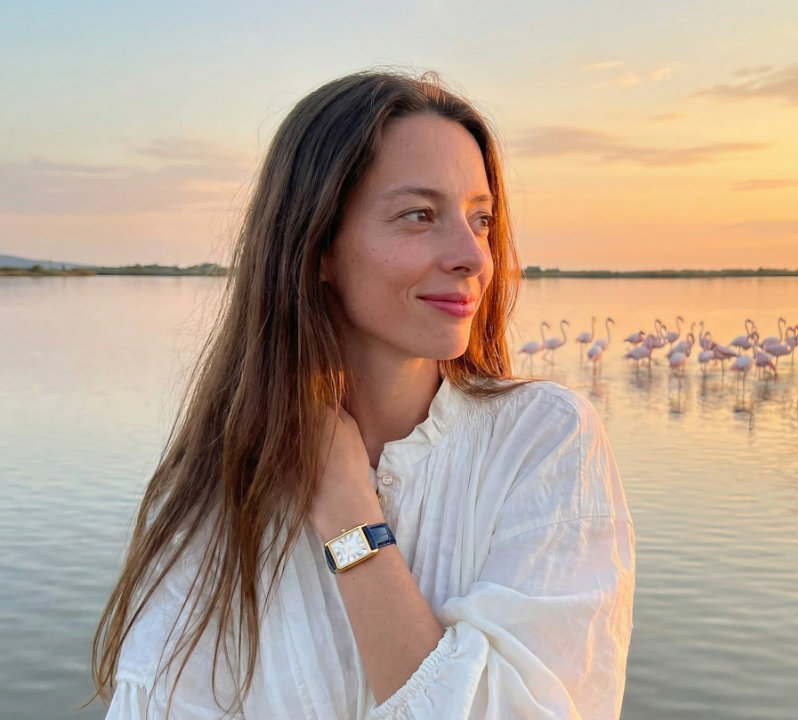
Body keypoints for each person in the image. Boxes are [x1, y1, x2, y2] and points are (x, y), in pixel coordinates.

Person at [91, 70, 635, 719]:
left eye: (481, 218)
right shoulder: (213, 487)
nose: (473, 256)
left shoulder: (542, 443)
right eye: (419, 216)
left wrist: (348, 514)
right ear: (318, 244)